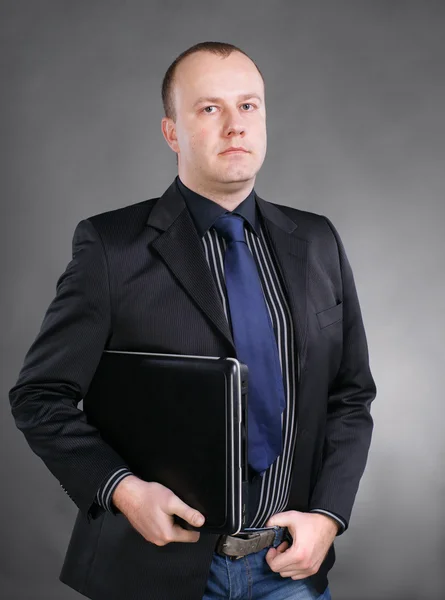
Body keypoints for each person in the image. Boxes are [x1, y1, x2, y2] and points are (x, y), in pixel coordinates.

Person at [9, 41, 376, 600]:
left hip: (286, 570)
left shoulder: (318, 240)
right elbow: (39, 396)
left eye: (248, 106)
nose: (235, 125)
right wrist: (124, 491)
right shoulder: (110, 248)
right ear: (172, 133)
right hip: (155, 570)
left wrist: (327, 515)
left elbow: (350, 396)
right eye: (209, 108)